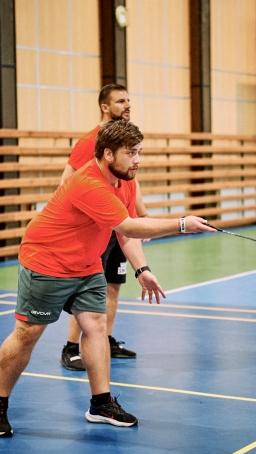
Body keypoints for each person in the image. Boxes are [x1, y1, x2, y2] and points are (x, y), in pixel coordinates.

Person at [0, 120, 215, 437]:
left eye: (139, 152)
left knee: (96, 325)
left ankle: (101, 403)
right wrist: (182, 224)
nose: (137, 160)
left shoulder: (126, 182)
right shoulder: (88, 183)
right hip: (47, 262)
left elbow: (125, 234)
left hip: (87, 264)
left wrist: (142, 269)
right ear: (108, 154)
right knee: (28, 333)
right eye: (131, 153)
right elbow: (129, 226)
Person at [59, 84, 147, 371]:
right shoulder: (90, 141)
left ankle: (106, 340)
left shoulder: (125, 141)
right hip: (96, 227)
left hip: (118, 227)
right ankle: (71, 347)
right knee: (86, 289)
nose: (127, 105)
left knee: (112, 286)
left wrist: (142, 215)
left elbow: (131, 181)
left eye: (129, 100)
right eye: (120, 101)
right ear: (105, 107)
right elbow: (66, 182)